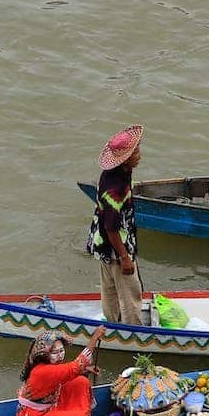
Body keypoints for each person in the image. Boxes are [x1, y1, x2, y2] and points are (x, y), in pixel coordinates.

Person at [87, 125, 144, 325]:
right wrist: (124, 258)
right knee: (131, 296)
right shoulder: (115, 188)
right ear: (126, 158)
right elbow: (111, 227)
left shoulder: (115, 174)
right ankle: (135, 335)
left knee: (110, 290)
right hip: (115, 246)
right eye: (136, 151)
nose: (139, 154)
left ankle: (111, 325)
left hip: (102, 243)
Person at [15, 325, 107, 416]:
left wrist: (86, 369)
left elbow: (67, 373)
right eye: (54, 352)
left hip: (48, 404)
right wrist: (94, 338)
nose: (60, 356)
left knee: (81, 381)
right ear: (44, 354)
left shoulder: (49, 365)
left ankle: (78, 414)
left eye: (62, 350)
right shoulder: (43, 371)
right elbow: (77, 365)